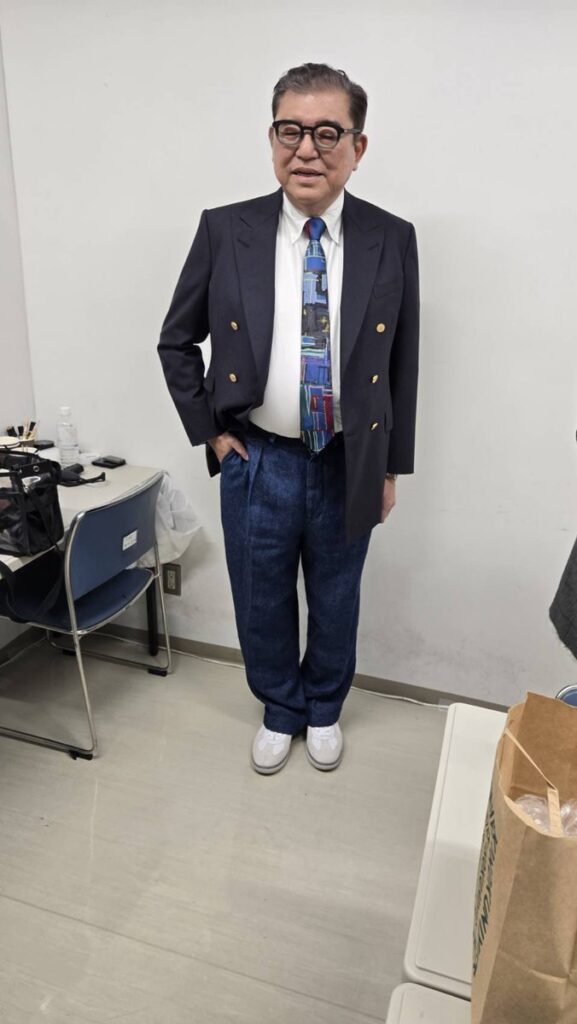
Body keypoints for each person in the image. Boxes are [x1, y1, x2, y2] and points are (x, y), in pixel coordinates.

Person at [158, 63, 419, 775]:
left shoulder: (391, 237)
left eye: (327, 132)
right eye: (290, 130)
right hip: (257, 459)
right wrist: (212, 434)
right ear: (271, 138)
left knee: (336, 597)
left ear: (357, 146)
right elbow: (175, 340)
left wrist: (391, 468)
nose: (306, 149)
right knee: (260, 596)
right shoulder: (225, 230)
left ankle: (324, 707)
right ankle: (279, 707)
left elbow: (402, 362)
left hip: (348, 459)